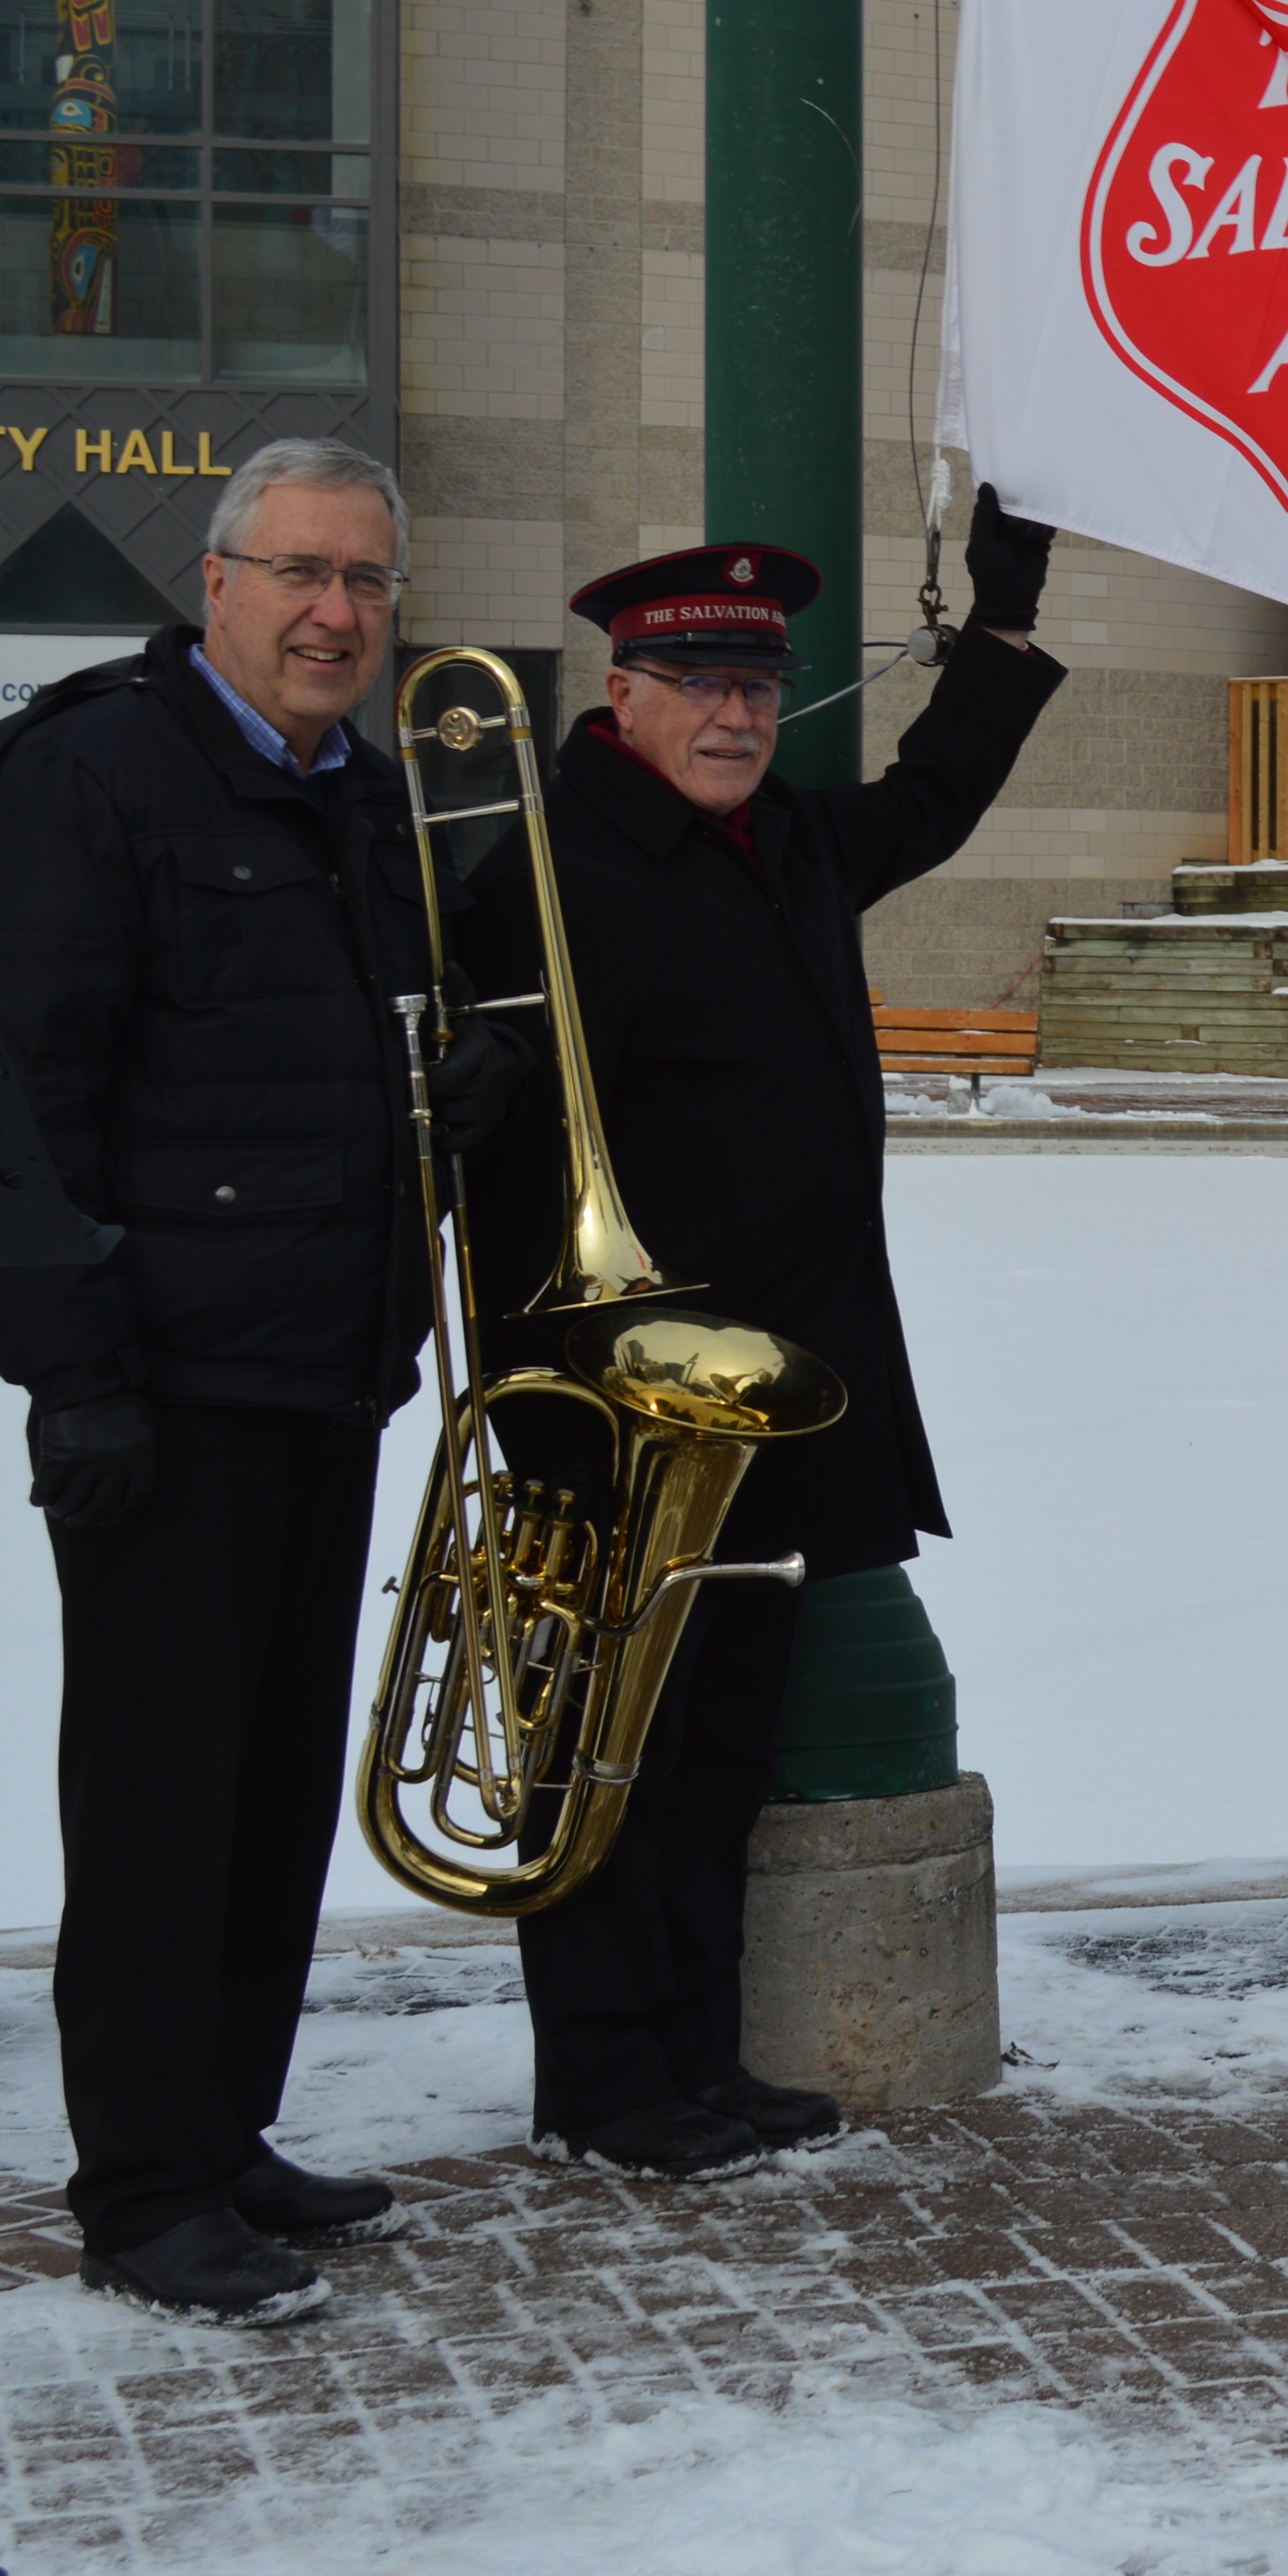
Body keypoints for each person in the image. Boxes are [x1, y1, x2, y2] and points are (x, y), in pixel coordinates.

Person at [0, 439, 517, 2326]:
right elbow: (7, 1119)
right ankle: (143, 2184)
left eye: (364, 579)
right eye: (297, 573)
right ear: (215, 579)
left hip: (313, 1371)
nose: (333, 611)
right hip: (162, 1393)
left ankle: (225, 2129)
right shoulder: (89, 773)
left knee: (271, 1793)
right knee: (161, 1803)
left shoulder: (355, 794)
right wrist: (74, 1377)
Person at [455, 492, 1064, 2177]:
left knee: (719, 1735)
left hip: (775, 1389)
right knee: (602, 1744)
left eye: (756, 685)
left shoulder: (779, 839)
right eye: (697, 683)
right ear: (624, 691)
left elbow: (932, 800)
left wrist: (1000, 626)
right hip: (617, 1398)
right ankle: (598, 2070)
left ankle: (695, 2051)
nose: (734, 712)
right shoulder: (549, 857)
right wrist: (566, 1402)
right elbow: (500, 1156)